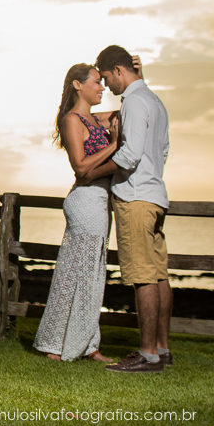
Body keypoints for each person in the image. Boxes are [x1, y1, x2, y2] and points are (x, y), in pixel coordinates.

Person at [80, 45, 171, 373]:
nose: (108, 86)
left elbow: (130, 154)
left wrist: (93, 173)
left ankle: (147, 354)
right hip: (156, 195)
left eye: (107, 78)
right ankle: (162, 348)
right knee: (159, 275)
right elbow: (162, 149)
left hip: (135, 199)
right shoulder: (155, 101)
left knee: (142, 276)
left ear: (117, 71)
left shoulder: (133, 100)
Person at [33, 63, 121, 362]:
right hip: (84, 202)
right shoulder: (73, 120)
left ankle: (88, 344)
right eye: (96, 82)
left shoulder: (95, 119)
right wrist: (116, 145)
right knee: (72, 275)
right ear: (77, 85)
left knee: (93, 276)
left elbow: (129, 109)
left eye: (102, 82)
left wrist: (139, 75)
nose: (102, 87)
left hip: (99, 201)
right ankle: (52, 345)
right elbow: (81, 167)